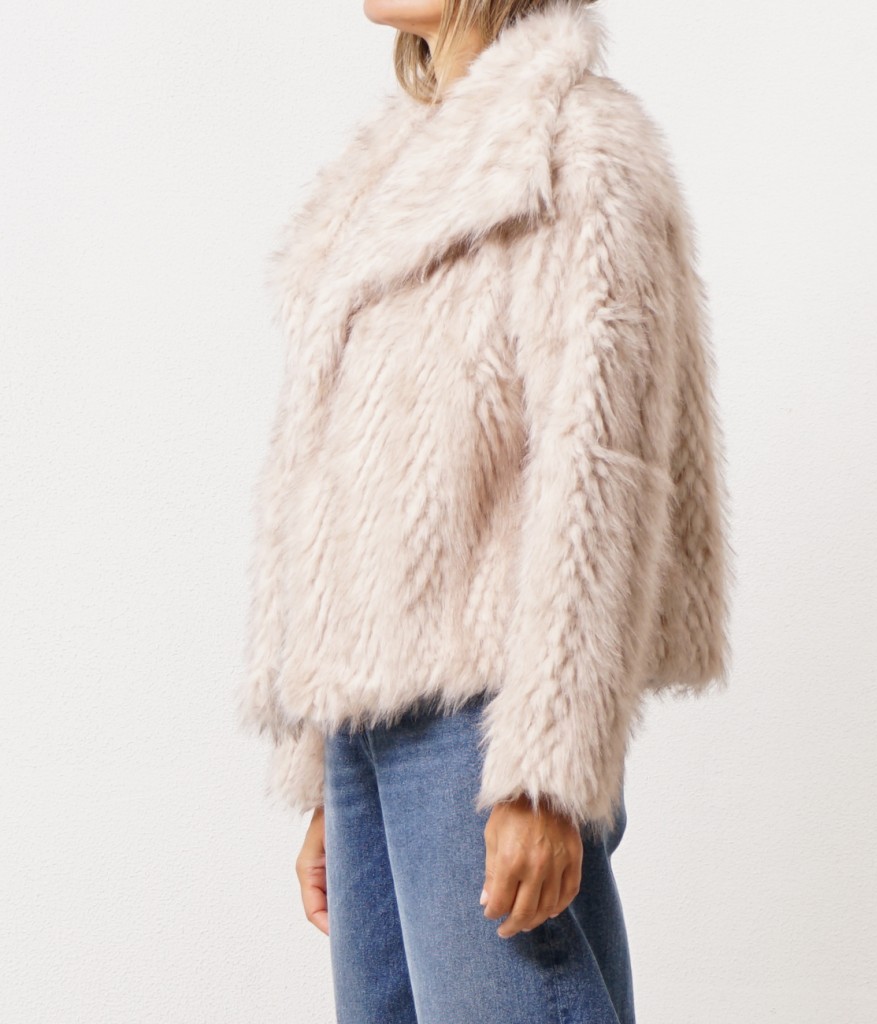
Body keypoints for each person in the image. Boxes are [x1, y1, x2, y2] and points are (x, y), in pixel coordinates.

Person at [234, 0, 733, 1020]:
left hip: (485, 724)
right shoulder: (399, 160)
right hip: (369, 732)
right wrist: (329, 769)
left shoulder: (574, 144)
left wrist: (546, 770)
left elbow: (599, 472)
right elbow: (341, 479)